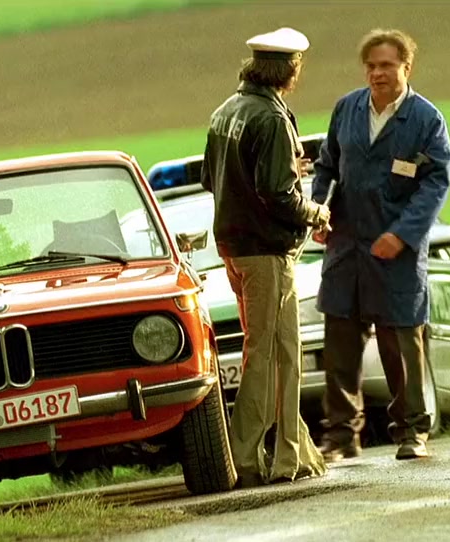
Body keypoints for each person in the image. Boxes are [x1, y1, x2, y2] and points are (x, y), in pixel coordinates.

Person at [310, 28, 450, 461]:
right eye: (371, 66)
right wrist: (319, 210)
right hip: (346, 247)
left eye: (386, 65)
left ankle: (412, 432)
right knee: (340, 346)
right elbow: (326, 166)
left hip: (396, 253)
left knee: (401, 346)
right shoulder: (347, 109)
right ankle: (340, 436)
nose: (377, 73)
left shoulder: (426, 120)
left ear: (407, 67)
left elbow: (435, 184)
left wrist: (403, 234)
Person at [201, 27, 331, 487]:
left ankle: (295, 454)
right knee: (277, 356)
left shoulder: (226, 111)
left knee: (265, 350)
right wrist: (316, 211)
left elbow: (210, 179)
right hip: (267, 253)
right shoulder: (272, 118)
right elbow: (278, 195)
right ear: (289, 69)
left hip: (234, 249)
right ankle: (256, 459)